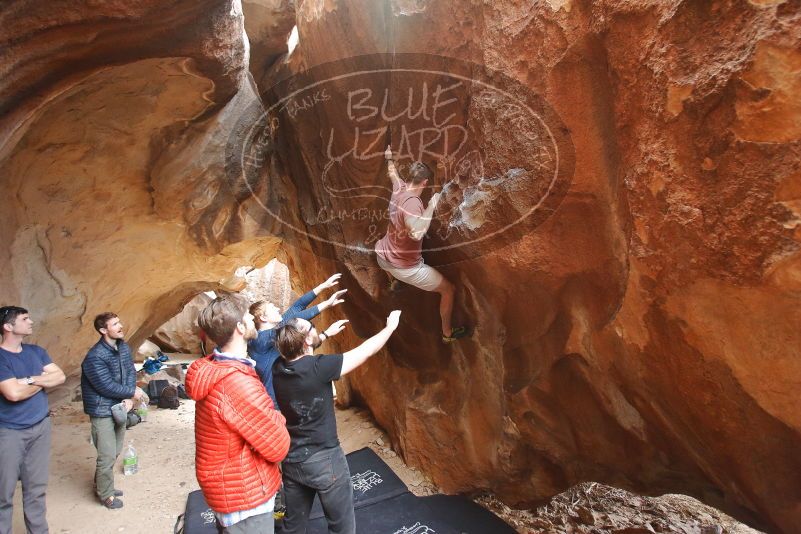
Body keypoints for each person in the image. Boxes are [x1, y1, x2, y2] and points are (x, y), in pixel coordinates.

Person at [273, 309, 402, 534]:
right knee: (342, 527)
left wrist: (324, 335)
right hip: (324, 460)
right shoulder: (319, 367)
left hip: (292, 460)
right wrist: (390, 327)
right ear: (306, 341)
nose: (315, 328)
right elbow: (366, 350)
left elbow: (302, 355)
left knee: (293, 527)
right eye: (311, 327)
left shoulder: (278, 367)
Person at [186, 294, 290, 534]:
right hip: (246, 498)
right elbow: (278, 446)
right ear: (240, 328)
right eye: (248, 317)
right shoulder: (236, 383)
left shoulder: (213, 368)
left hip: (227, 489)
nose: (253, 320)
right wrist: (278, 417)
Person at [374, 145, 467, 343]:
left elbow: (392, 173)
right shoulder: (412, 203)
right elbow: (417, 232)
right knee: (448, 289)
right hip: (405, 268)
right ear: (424, 182)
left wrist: (389, 157)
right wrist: (431, 204)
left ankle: (392, 282)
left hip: (382, 255)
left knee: (383, 248)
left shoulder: (399, 187)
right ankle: (447, 333)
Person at [0, 306, 65, 534]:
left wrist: (27, 380)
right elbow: (13, 394)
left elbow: (60, 376)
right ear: (8, 326)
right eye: (25, 319)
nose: (31, 322)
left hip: (40, 427)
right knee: (3, 493)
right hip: (9, 432)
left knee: (36, 489)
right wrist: (42, 380)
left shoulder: (36, 351)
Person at [248, 273, 346, 409]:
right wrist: (327, 304)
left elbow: (296, 307)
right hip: (275, 405)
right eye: (272, 308)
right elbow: (293, 321)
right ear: (263, 318)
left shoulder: (275, 334)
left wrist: (324, 286)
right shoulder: (258, 340)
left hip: (288, 399)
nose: (278, 308)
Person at [80, 312, 144, 509]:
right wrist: (131, 392)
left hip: (120, 406)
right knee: (106, 454)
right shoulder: (95, 356)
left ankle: (102, 485)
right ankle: (105, 494)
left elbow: (130, 372)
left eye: (119, 322)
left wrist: (129, 398)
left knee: (115, 451)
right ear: (103, 330)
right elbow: (105, 386)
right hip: (102, 410)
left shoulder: (123, 347)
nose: (120, 326)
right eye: (115, 324)